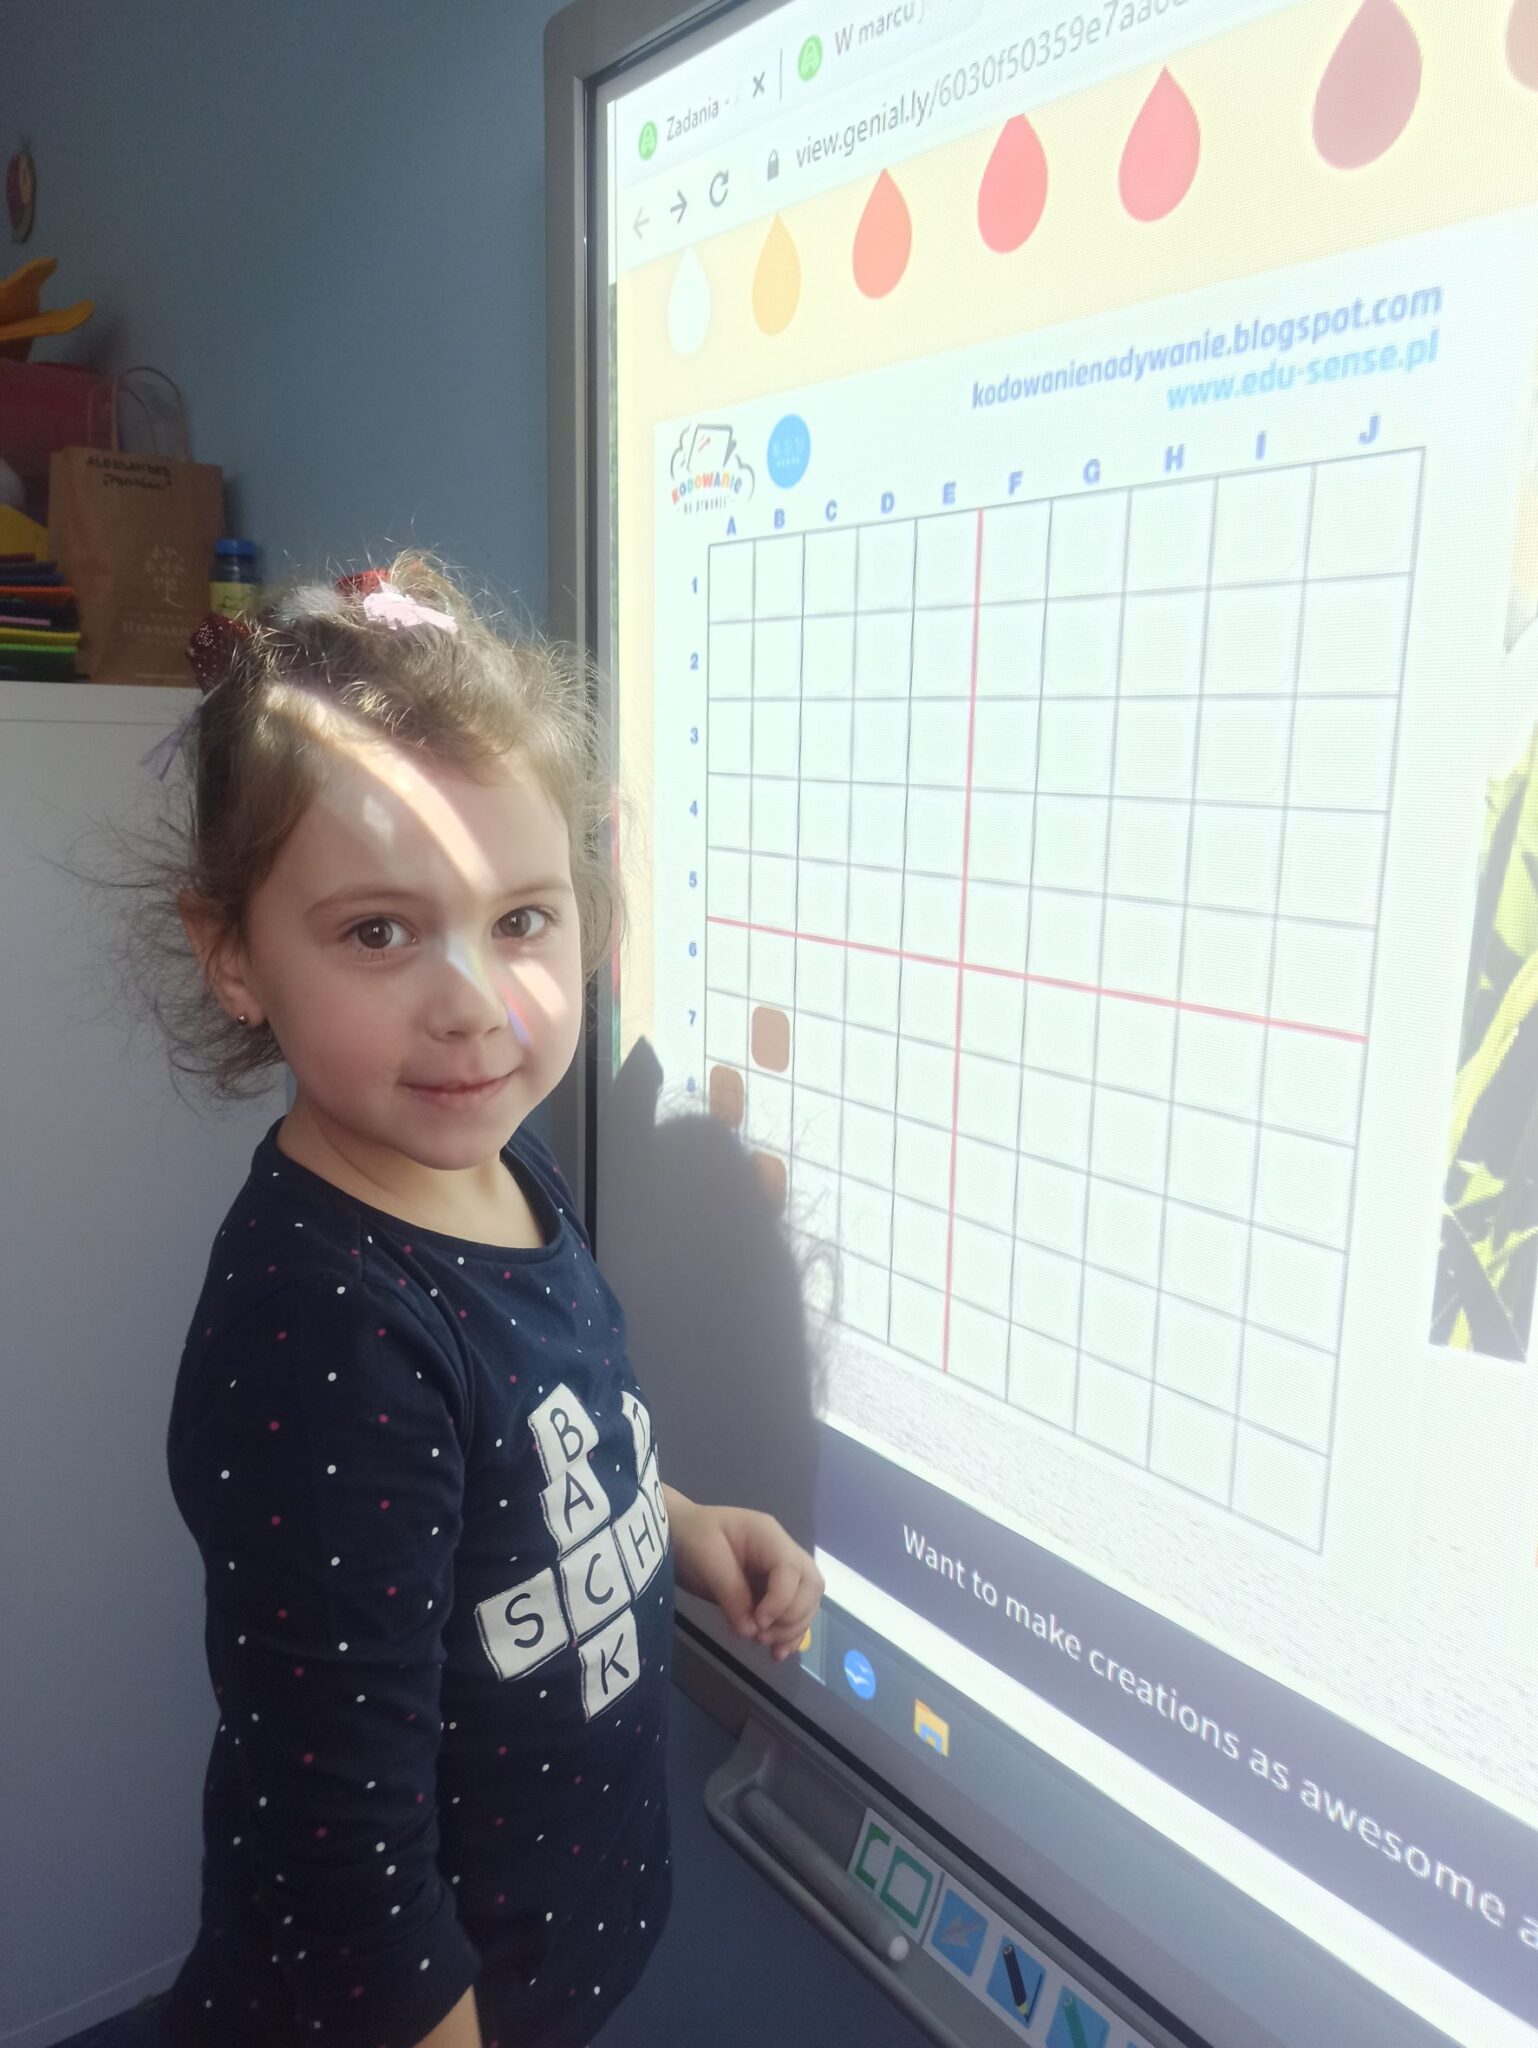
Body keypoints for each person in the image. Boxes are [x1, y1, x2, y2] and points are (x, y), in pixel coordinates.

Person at [139, 558, 825, 2048]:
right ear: (233, 955)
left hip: (539, 1973)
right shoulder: (327, 1336)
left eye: (520, 920)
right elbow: (346, 1851)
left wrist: (676, 1521)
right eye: (379, 933)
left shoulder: (500, 1163)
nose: (472, 1003)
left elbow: (540, 1449)